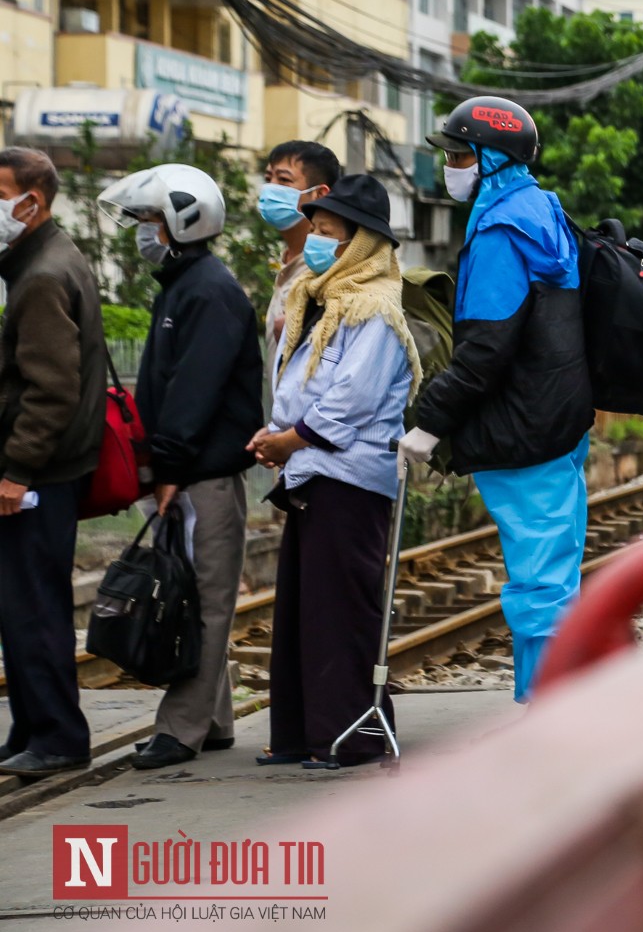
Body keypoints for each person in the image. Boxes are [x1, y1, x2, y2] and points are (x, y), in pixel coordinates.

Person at [404, 96, 593, 703]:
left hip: (524, 431)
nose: (450, 167)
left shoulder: (500, 230)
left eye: (459, 155)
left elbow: (486, 346)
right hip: (559, 419)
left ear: (490, 158)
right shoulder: (544, 209)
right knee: (555, 572)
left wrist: (427, 424)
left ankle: (552, 716)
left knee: (539, 583)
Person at [98, 164, 263, 770]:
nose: (141, 231)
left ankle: (180, 730)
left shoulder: (210, 290)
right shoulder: (183, 283)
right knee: (196, 594)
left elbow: (195, 391)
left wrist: (166, 466)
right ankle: (214, 721)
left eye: (147, 219)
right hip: (187, 470)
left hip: (202, 474)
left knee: (208, 600)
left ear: (180, 220)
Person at [249, 175, 418, 768]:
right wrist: (277, 435)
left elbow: (351, 399)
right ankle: (303, 733)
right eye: (315, 230)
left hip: (347, 475)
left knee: (341, 611)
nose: (316, 242)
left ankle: (353, 737)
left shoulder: (375, 308)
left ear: (363, 243)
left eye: (329, 233)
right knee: (304, 610)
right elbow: (299, 385)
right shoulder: (318, 300)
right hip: (310, 471)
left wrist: (288, 441)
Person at [0, 149, 105, 780]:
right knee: (22, 606)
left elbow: (50, 388)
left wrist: (16, 470)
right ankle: (33, 727)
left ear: (30, 203)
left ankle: (60, 736)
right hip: (46, 469)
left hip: (40, 474)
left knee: (34, 607)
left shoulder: (40, 274)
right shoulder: (43, 258)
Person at [258, 140, 339, 383]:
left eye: (284, 180)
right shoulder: (287, 263)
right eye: (268, 178)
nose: (270, 189)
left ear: (320, 194)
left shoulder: (326, 270)